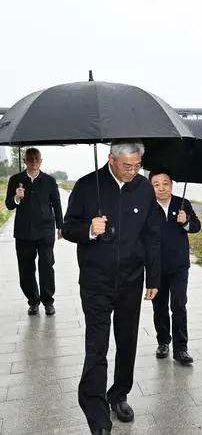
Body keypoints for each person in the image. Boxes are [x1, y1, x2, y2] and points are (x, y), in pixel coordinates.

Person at [62, 140, 161, 435]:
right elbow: (67, 228)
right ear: (111, 159)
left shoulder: (143, 189)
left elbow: (152, 234)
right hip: (96, 282)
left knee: (127, 341)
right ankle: (96, 413)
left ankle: (118, 394)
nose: (133, 171)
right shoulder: (85, 186)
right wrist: (90, 229)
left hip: (131, 281)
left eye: (137, 165)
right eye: (126, 165)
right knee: (97, 346)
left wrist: (153, 277)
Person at [148, 168, 201, 365]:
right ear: (150, 187)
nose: (161, 188)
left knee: (179, 305)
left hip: (179, 266)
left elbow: (196, 226)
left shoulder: (182, 203)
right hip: (156, 266)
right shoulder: (147, 206)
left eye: (165, 183)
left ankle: (181, 349)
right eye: (156, 184)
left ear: (172, 184)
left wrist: (185, 221)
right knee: (159, 306)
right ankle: (163, 341)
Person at [4, 147, 63, 316]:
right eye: (30, 159)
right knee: (26, 269)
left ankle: (48, 301)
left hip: (45, 231)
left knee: (46, 266)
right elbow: (8, 205)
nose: (33, 161)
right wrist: (16, 198)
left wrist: (61, 225)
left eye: (36, 158)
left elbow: (57, 204)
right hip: (24, 233)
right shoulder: (16, 180)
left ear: (41, 161)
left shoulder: (49, 181)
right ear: (24, 161)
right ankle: (33, 301)